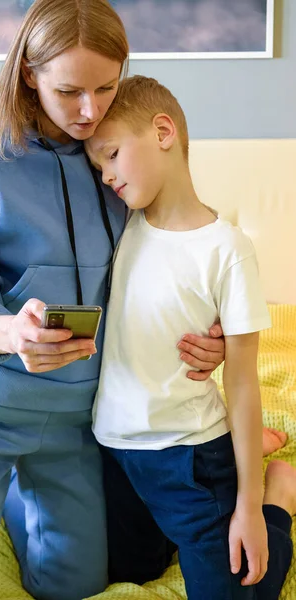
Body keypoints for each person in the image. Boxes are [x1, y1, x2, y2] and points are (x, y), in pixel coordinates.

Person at [0, 1, 280, 598]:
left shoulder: (115, 152)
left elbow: (174, 250)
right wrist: (7, 333)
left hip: (74, 422)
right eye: (69, 90)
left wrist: (209, 328)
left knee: (72, 587)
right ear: (29, 73)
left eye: (106, 87)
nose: (90, 112)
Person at [85, 75, 295, 599]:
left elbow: (244, 383)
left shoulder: (227, 249)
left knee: (240, 587)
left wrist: (249, 507)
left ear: (163, 132)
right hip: (114, 450)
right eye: (97, 167)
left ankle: (279, 499)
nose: (106, 176)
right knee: (130, 573)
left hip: (189, 455)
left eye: (111, 155)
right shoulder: (116, 226)